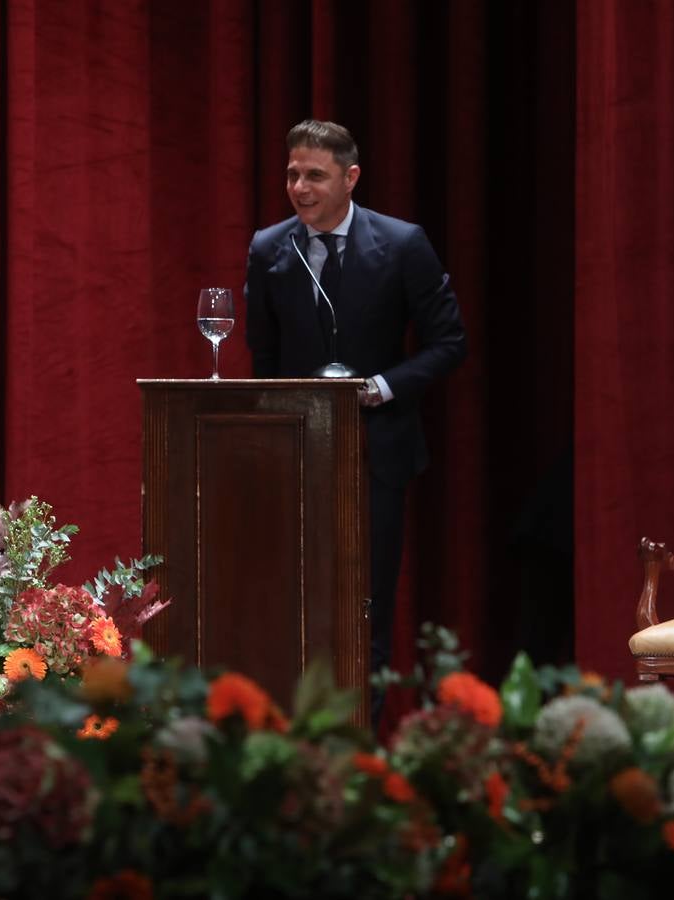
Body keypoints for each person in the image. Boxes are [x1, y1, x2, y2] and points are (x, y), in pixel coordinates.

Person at [244, 119, 466, 712]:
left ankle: (358, 746)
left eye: (315, 175)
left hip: (376, 453)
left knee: (363, 609)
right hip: (296, 455)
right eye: (292, 174)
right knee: (295, 608)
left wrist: (384, 387)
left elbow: (450, 343)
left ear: (350, 177)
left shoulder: (401, 243)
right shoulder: (269, 248)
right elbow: (263, 360)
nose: (300, 187)